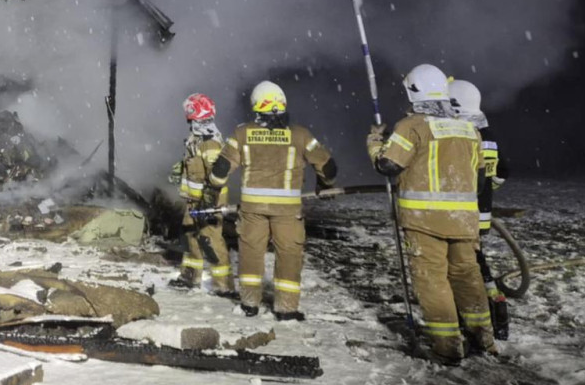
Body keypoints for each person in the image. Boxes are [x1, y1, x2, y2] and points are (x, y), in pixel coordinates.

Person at [367, 64, 496, 364]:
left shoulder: (411, 127)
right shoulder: (469, 129)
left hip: (424, 221)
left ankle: (448, 346)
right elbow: (479, 179)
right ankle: (483, 339)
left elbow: (388, 165)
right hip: (464, 220)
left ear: (414, 92)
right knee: (468, 276)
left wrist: (375, 143)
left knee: (432, 279)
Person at [207, 81, 336, 320]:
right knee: (289, 256)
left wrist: (213, 186)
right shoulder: (300, 135)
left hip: (252, 210)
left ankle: (249, 304)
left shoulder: (242, 133)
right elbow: (328, 169)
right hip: (287, 213)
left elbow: (221, 170)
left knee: (251, 254)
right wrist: (323, 185)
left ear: (256, 106)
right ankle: (286, 309)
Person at [450, 78, 511, 340]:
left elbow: (468, 177)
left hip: (465, 216)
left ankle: (480, 320)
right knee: (476, 264)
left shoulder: (467, 135)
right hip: (480, 215)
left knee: (465, 270)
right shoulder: (488, 135)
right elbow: (501, 172)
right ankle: (496, 310)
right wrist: (488, 194)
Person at [168, 93, 237, 297]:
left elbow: (217, 175)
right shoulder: (196, 140)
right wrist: (180, 169)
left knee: (211, 240)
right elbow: (195, 166)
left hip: (209, 201)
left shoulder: (210, 143)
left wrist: (209, 202)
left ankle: (223, 285)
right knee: (191, 238)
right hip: (193, 201)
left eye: (189, 113)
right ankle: (190, 277)